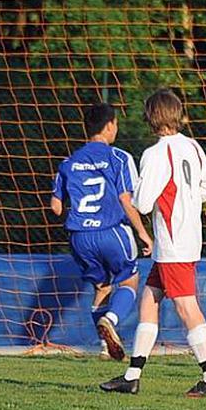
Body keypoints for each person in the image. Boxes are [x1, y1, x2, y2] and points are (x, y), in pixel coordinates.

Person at [100, 89, 206, 398]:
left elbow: (142, 203)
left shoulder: (155, 154)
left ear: (151, 118)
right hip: (187, 236)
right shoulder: (193, 146)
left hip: (173, 241)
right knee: (149, 300)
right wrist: (184, 200)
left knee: (185, 306)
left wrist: (134, 189)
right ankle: (132, 376)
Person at [50, 102, 153, 361]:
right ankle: (111, 318)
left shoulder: (68, 162)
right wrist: (143, 232)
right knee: (129, 279)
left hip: (79, 237)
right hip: (112, 232)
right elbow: (126, 200)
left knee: (102, 286)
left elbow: (56, 208)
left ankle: (105, 347)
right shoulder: (119, 157)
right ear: (109, 126)